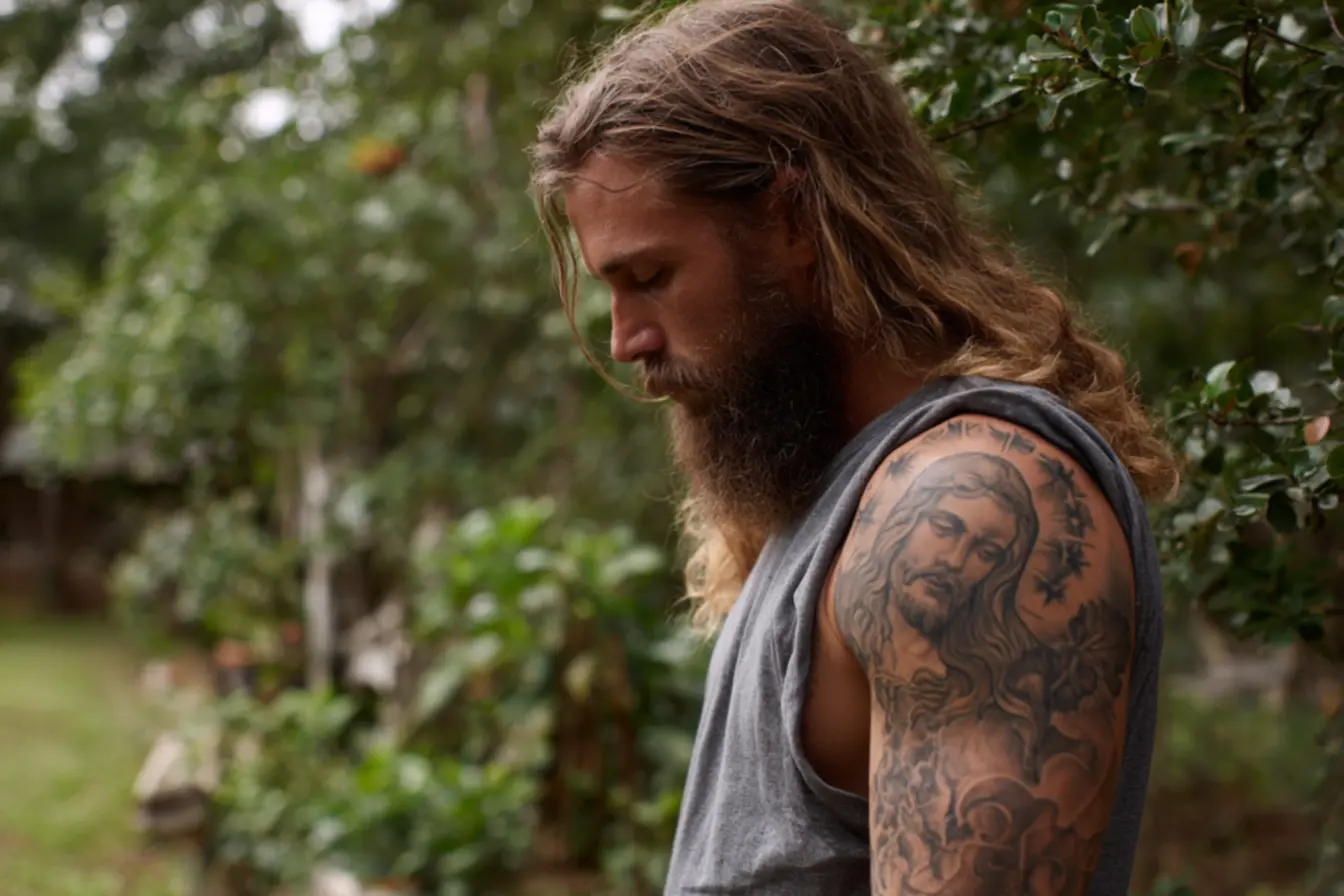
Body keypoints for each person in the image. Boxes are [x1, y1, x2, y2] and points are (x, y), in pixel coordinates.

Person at [528, 1, 1181, 893]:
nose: (625, 340)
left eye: (650, 276)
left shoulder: (970, 504)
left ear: (794, 221)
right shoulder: (843, 505)